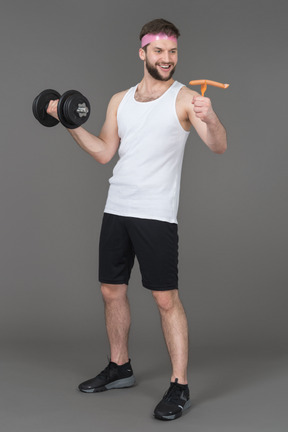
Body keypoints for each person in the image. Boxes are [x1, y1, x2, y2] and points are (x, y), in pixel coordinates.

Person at [47, 18, 227, 421]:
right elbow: (103, 153)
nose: (167, 58)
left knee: (165, 299)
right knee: (111, 291)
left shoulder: (184, 99)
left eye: (173, 51)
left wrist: (210, 117)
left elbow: (218, 146)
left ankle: (179, 386)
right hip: (117, 209)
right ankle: (119, 367)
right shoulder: (119, 100)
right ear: (142, 52)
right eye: (159, 50)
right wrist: (69, 122)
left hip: (156, 215)